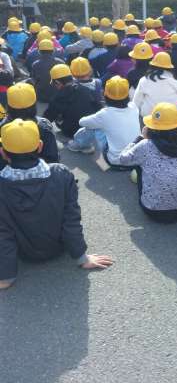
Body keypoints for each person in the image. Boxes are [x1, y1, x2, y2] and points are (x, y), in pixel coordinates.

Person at [0, 119, 113, 289]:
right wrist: (82, 257)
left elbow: (3, 233)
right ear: (40, 146)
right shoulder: (61, 173)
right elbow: (71, 218)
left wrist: (6, 277)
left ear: (3, 152)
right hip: (59, 248)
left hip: (24, 253)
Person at [119, 103, 177, 223]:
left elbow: (123, 159)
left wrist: (139, 138)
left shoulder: (146, 145)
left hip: (154, 210)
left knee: (139, 164)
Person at [68, 76, 140, 167]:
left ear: (105, 94)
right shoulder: (134, 107)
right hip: (136, 159)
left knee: (93, 127)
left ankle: (78, 144)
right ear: (127, 94)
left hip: (115, 161)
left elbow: (82, 122)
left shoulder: (105, 114)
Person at [0, 83, 59, 167]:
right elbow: (52, 158)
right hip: (41, 171)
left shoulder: (2, 127)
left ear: (8, 106)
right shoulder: (44, 125)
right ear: (34, 104)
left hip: (8, 171)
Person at [44, 64, 102, 138]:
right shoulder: (86, 90)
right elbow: (99, 108)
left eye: (55, 84)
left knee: (58, 118)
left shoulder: (57, 98)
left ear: (58, 82)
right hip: (90, 128)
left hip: (72, 132)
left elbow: (47, 119)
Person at [133, 52, 177, 118]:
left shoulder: (144, 80)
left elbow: (136, 102)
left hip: (150, 117)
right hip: (171, 116)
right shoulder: (172, 80)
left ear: (152, 65)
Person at [31, 39, 65, 103]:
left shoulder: (35, 64)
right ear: (53, 51)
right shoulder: (61, 62)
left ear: (39, 51)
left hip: (40, 97)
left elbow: (34, 80)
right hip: (58, 96)